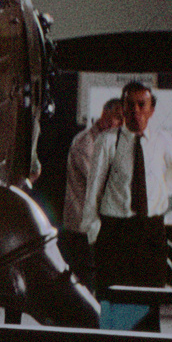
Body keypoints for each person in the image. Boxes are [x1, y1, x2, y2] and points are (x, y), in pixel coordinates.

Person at [83, 81, 172, 289]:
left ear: (151, 110)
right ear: (122, 108)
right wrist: (93, 231)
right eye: (130, 104)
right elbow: (94, 187)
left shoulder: (162, 140)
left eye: (142, 105)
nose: (136, 110)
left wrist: (156, 193)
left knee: (150, 295)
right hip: (115, 230)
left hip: (151, 230)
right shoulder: (107, 141)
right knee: (113, 296)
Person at [60, 97, 124, 284]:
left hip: (94, 227)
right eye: (118, 118)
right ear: (104, 114)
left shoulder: (106, 142)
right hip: (81, 228)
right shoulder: (85, 143)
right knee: (85, 282)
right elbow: (99, 183)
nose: (120, 124)